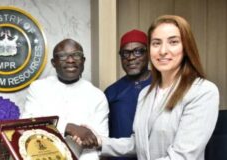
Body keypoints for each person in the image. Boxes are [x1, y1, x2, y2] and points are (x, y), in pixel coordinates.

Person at [78, 15, 220, 160]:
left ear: (186, 47)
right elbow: (137, 144)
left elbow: (182, 156)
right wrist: (98, 141)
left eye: (173, 42)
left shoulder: (203, 92)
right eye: (156, 43)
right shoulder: (146, 93)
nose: (163, 50)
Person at [21, 38, 109, 160]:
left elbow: (98, 143)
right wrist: (68, 128)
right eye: (62, 56)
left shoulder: (97, 96)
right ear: (53, 62)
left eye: (76, 55)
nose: (71, 60)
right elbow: (27, 127)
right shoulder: (38, 88)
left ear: (83, 61)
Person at [104, 29, 151, 160]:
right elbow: (104, 135)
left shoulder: (163, 85)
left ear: (149, 53)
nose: (131, 57)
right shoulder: (111, 92)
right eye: (125, 53)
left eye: (138, 51)